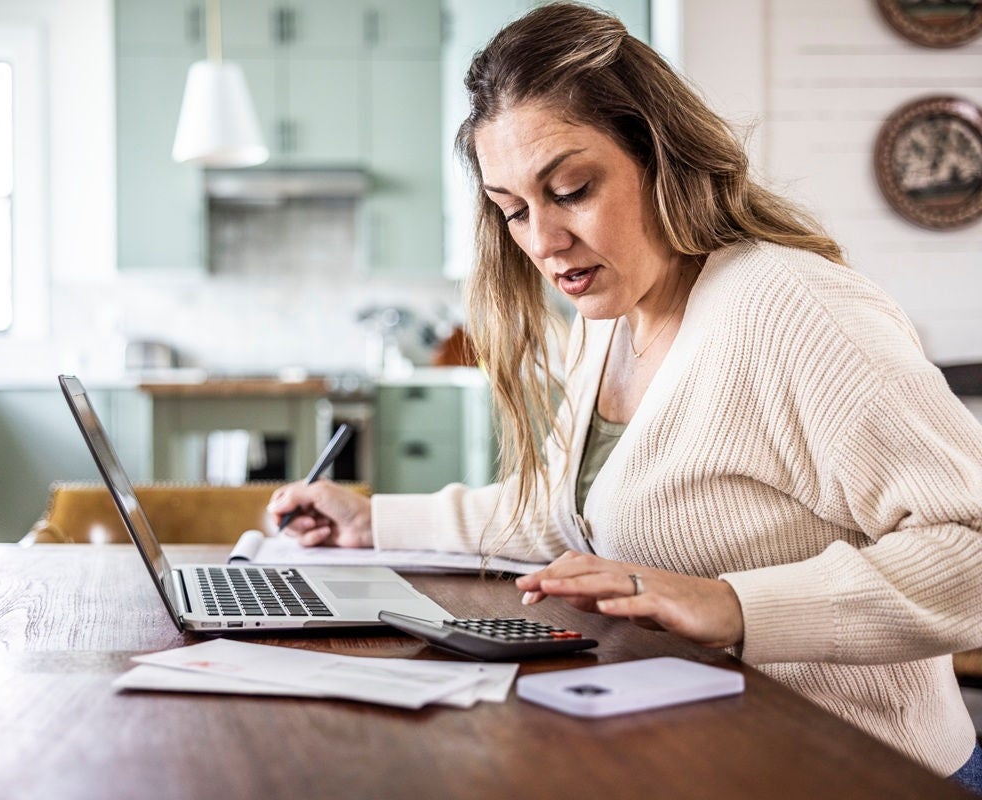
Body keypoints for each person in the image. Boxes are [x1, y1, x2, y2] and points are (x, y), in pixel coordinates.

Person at [267, 2, 982, 789]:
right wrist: (374, 520)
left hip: (858, 772)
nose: (541, 242)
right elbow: (566, 516)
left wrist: (732, 605)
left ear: (661, 155)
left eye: (571, 190)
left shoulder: (794, 310)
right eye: (512, 211)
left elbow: (971, 543)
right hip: (696, 755)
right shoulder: (607, 320)